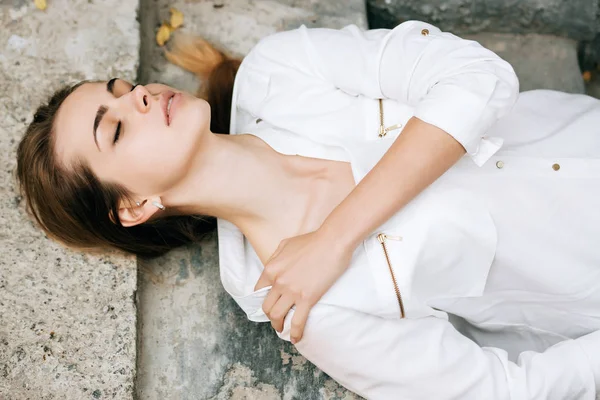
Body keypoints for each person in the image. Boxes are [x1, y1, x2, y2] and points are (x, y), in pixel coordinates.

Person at [16, 19, 600, 399]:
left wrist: (336, 237)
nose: (138, 96)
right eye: (114, 129)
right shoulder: (311, 314)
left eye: (120, 89)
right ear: (137, 205)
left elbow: (478, 76)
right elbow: (500, 391)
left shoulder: (279, 73)